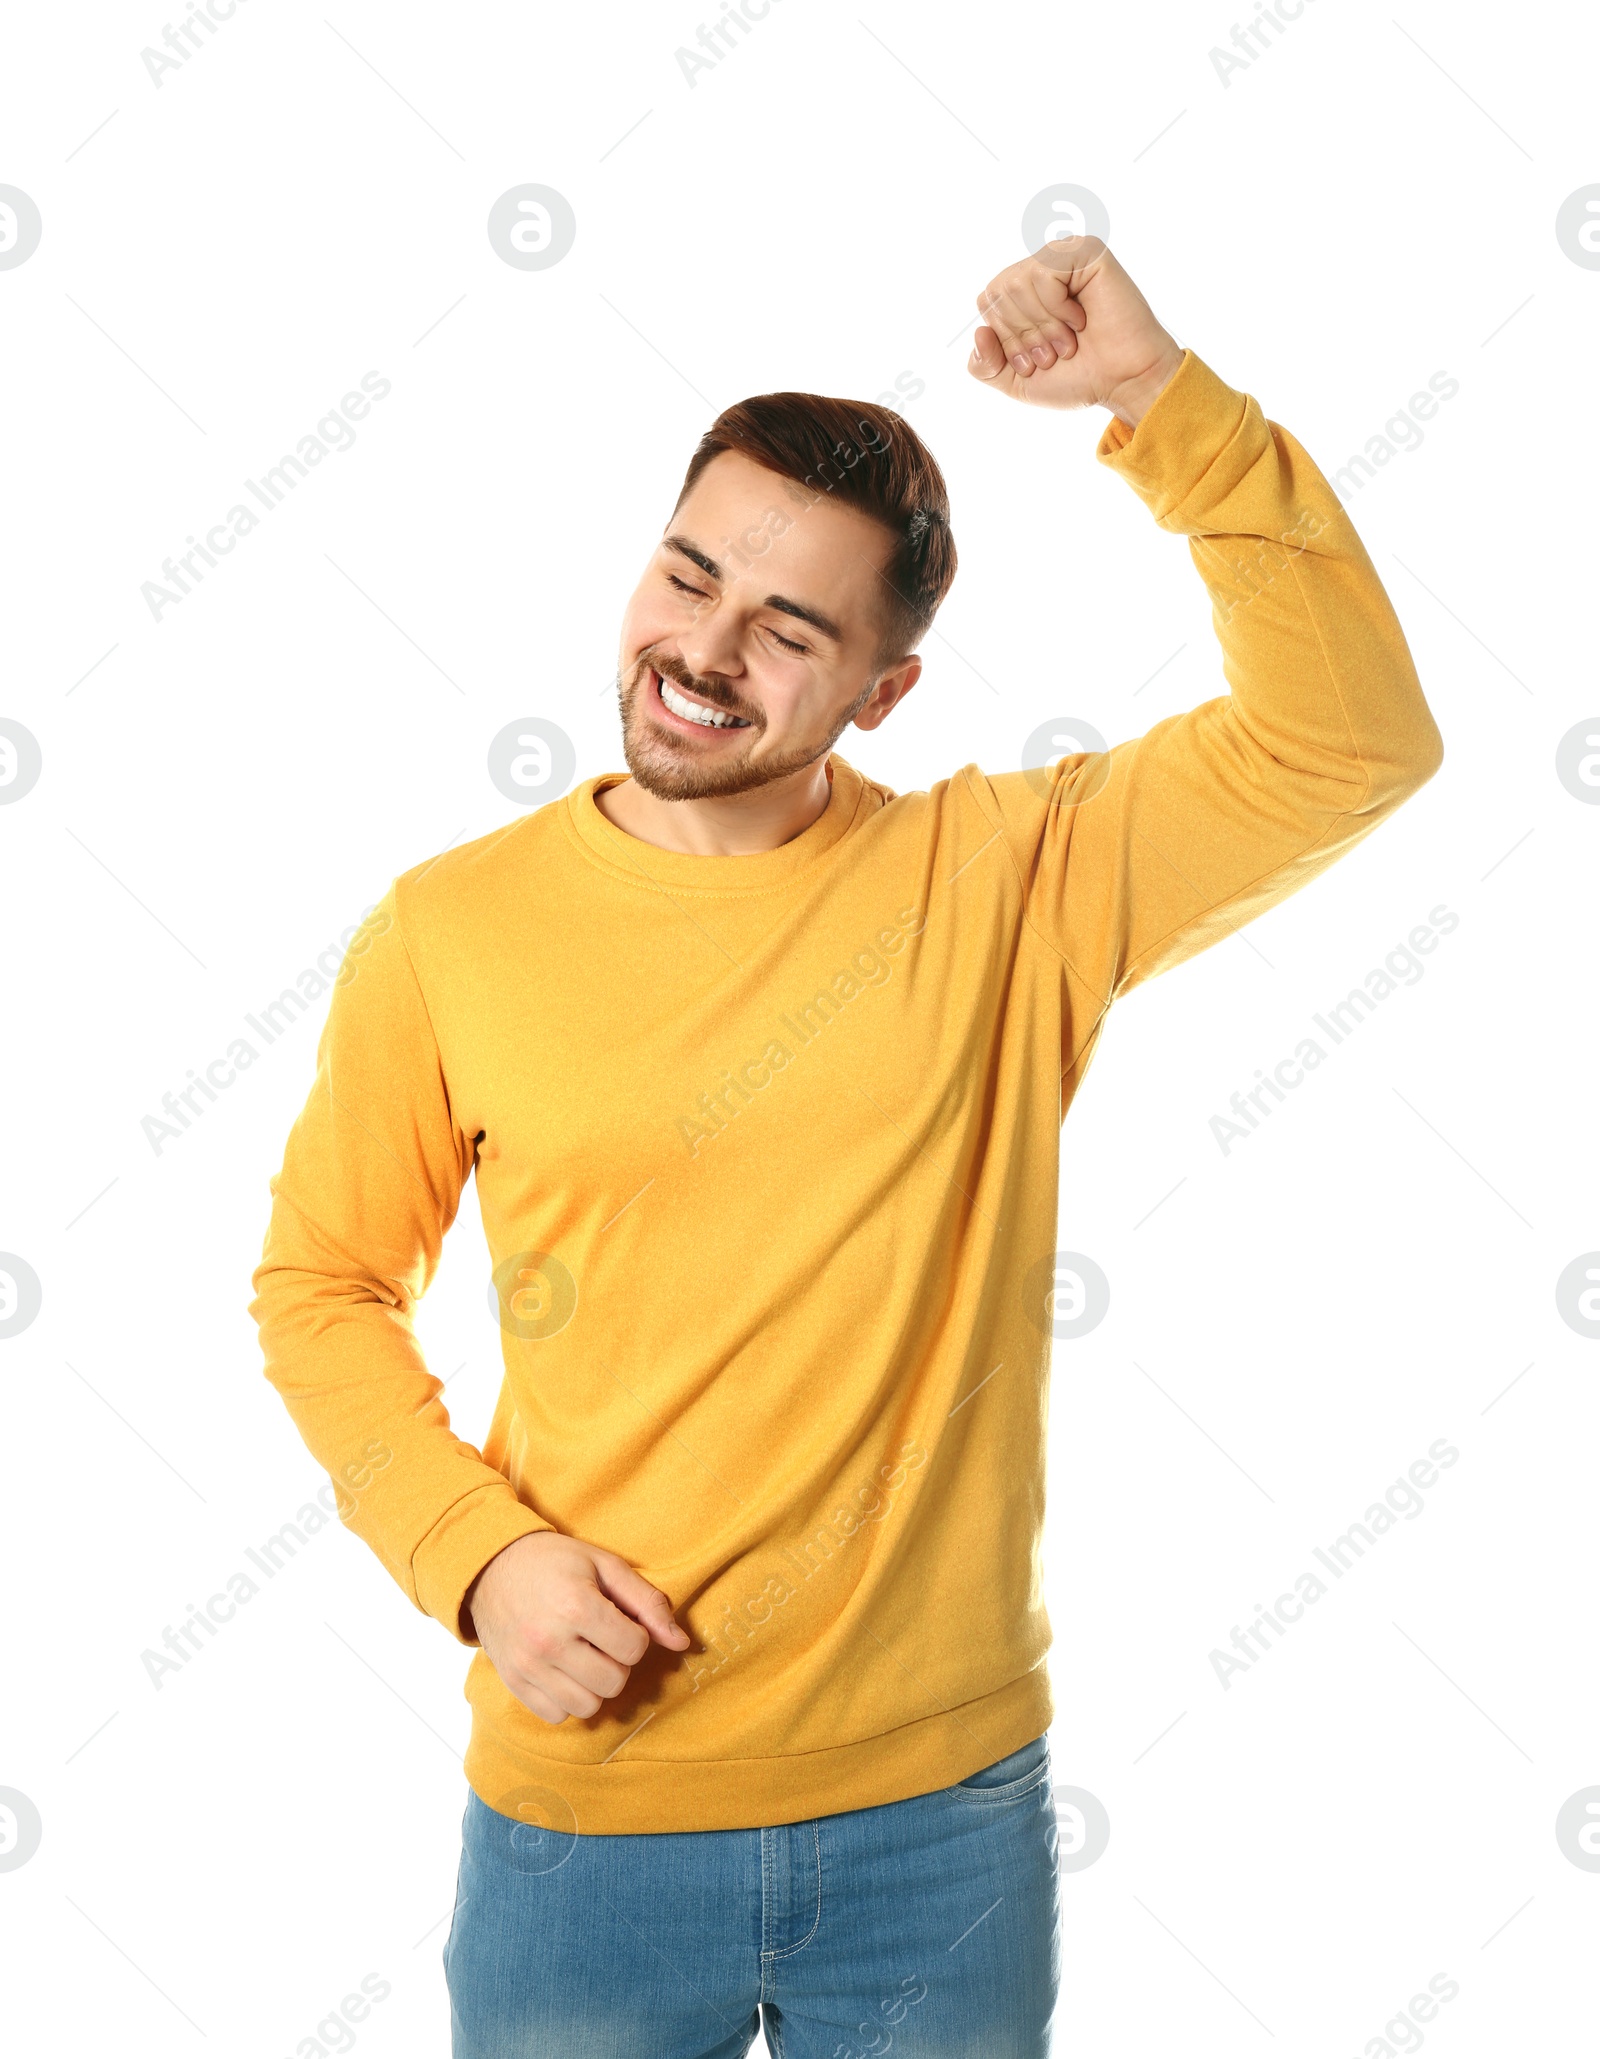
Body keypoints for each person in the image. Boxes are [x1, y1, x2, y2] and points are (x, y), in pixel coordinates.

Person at [250, 235, 1443, 2057]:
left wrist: (1158, 403)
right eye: (687, 575)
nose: (703, 654)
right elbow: (324, 1284)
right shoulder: (448, 931)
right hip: (589, 1822)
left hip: (940, 1831)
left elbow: (1350, 739)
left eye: (790, 628)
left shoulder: (1009, 880)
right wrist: (472, 1558)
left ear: (884, 690)